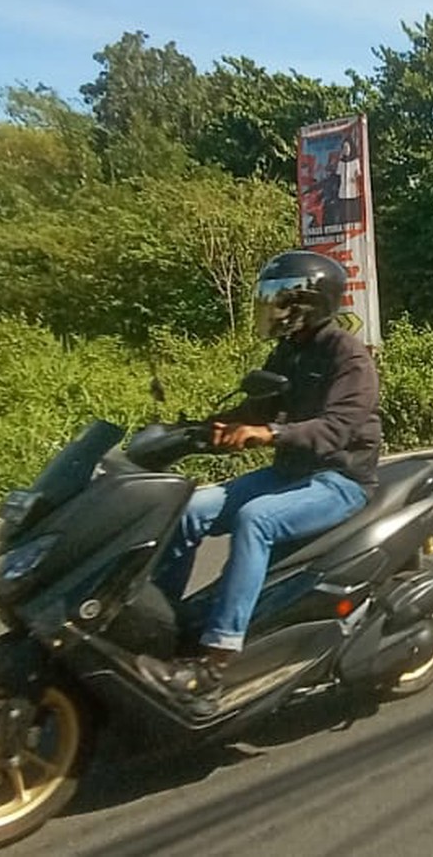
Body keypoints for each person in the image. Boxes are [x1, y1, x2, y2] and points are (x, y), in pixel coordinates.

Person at [140, 249, 380, 716]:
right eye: (272, 300)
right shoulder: (290, 351)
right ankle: (158, 628)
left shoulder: (349, 358)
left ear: (314, 305)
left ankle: (217, 661)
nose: (274, 310)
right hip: (289, 472)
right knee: (187, 508)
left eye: (284, 302)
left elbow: (334, 430)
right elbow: (261, 407)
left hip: (339, 480)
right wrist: (202, 429)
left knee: (257, 519)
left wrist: (267, 434)